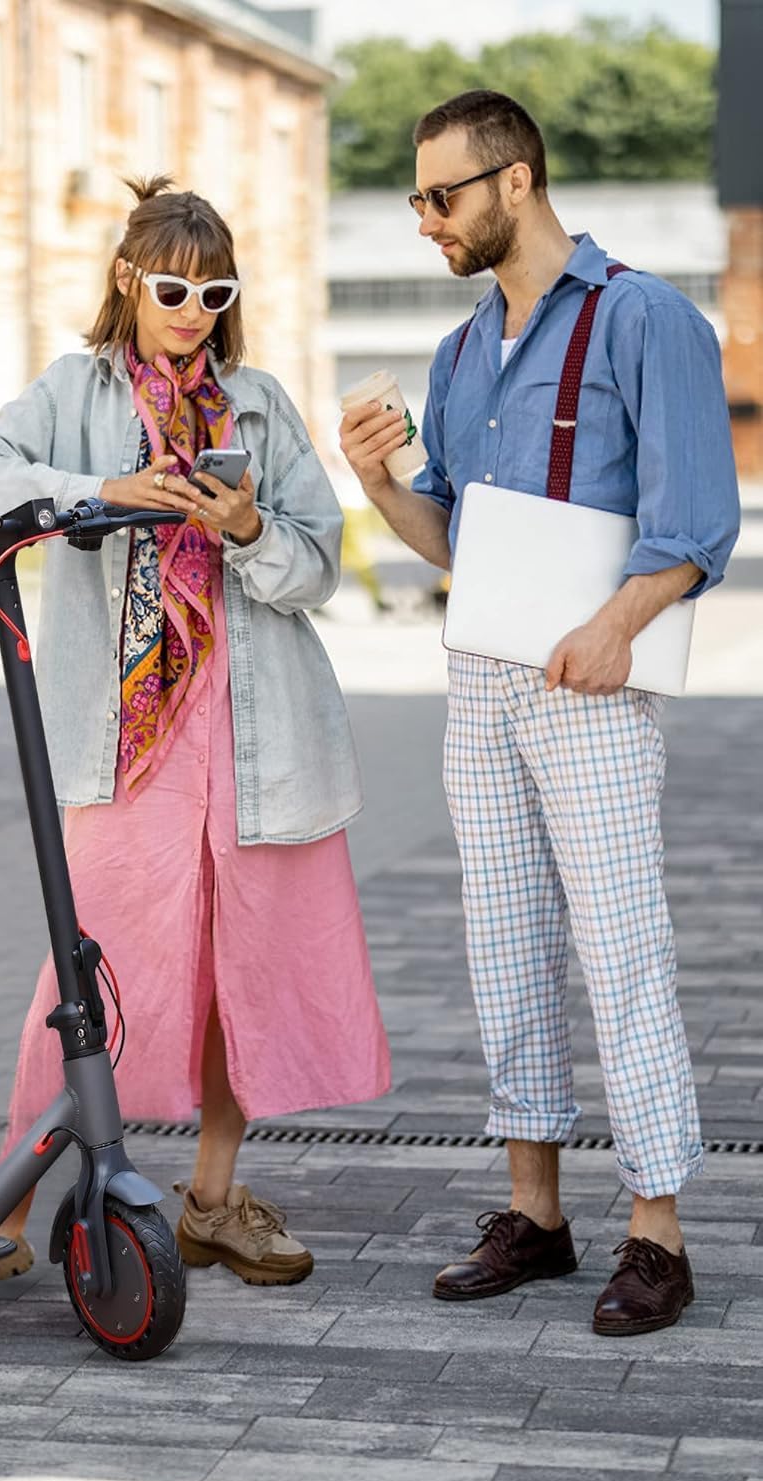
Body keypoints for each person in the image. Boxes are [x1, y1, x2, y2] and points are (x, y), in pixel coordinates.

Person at [0, 176, 390, 1290]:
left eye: (215, 290)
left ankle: (214, 1201)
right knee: (87, 971)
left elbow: (318, 565)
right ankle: (10, 1208)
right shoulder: (72, 391)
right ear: (130, 283)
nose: (194, 310)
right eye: (174, 287)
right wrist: (100, 486)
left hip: (260, 733)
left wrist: (246, 529)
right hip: (127, 743)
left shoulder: (262, 406)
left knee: (247, 969)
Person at [339, 91, 740, 1336]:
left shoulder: (647, 320)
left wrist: (615, 627)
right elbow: (451, 537)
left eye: (441, 197)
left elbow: (696, 528)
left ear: (516, 183)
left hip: (597, 687)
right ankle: (540, 1218)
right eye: (415, 198)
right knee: (505, 948)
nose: (426, 222)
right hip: (482, 682)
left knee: (622, 952)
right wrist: (376, 478)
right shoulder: (461, 355)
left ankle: (657, 1236)